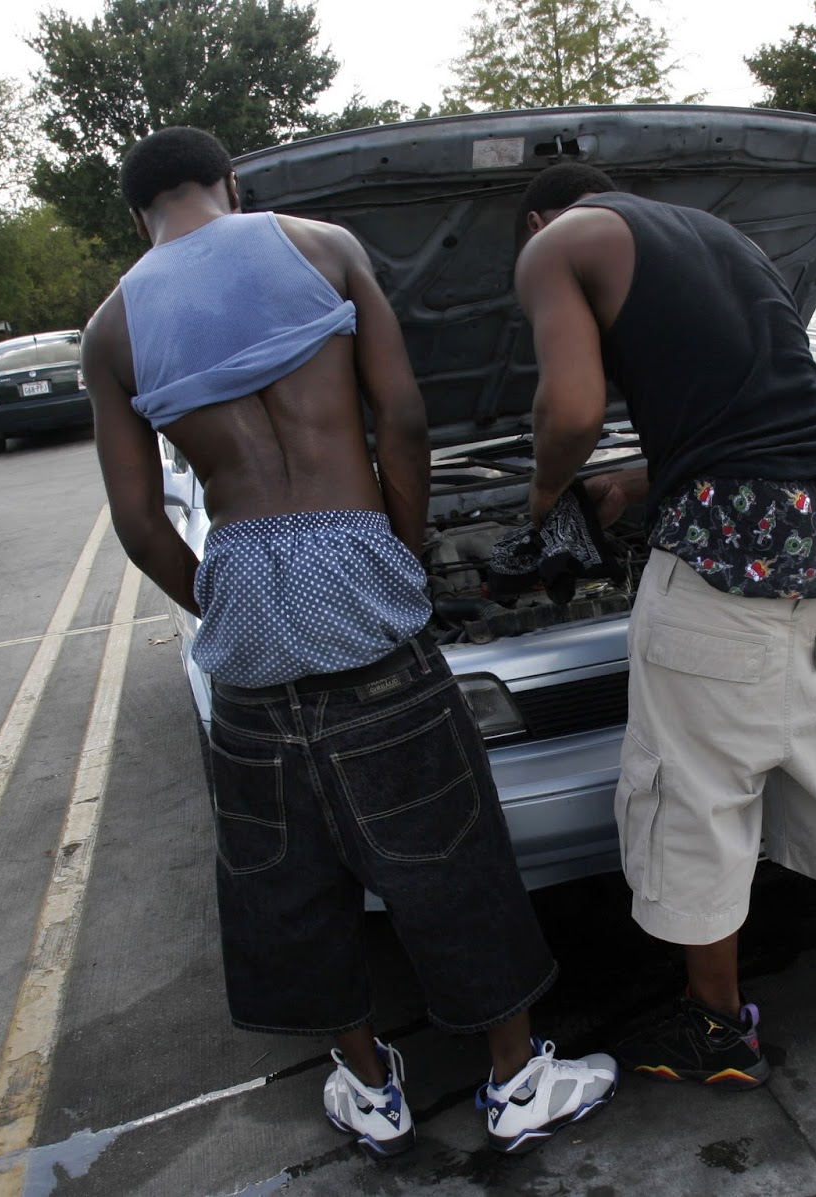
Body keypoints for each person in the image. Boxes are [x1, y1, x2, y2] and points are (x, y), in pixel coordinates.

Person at [81, 127, 615, 1158]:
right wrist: (396, 556)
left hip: (243, 593)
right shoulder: (321, 246)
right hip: (360, 566)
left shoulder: (112, 327)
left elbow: (140, 523)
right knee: (449, 849)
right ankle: (515, 1080)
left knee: (285, 875)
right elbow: (402, 419)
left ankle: (369, 1089)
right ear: (230, 183)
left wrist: (224, 604)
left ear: (137, 217)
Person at [513, 163, 816, 1089]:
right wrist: (637, 486)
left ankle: (717, 1026)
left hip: (718, 574)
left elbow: (571, 411)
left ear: (539, 219)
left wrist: (544, 500)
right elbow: (754, 417)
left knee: (696, 800)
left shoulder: (554, 245)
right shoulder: (728, 242)